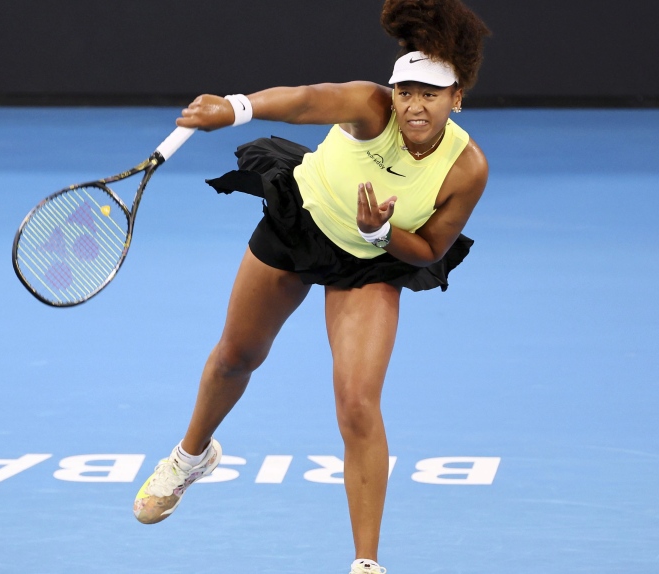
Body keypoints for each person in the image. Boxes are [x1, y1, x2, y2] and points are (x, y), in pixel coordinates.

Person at [132, 1, 490, 572]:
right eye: (406, 92)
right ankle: (190, 456)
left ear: (456, 98)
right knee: (235, 356)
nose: (415, 105)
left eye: (431, 94)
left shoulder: (466, 168)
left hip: (372, 260)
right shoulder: (370, 107)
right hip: (302, 221)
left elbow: (428, 250)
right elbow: (306, 98)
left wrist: (380, 233)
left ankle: (366, 563)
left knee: (357, 404)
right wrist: (236, 108)